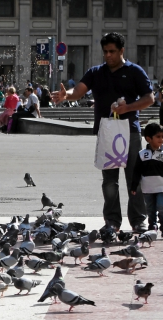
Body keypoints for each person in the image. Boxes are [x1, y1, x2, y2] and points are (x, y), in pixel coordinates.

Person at [52, 32, 153, 233]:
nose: (108, 55)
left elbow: (149, 98)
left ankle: (138, 220)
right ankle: (112, 221)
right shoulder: (96, 72)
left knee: (134, 178)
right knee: (109, 182)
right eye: (105, 51)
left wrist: (129, 108)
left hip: (130, 132)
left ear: (122, 50)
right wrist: (66, 96)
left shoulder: (135, 71)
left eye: (112, 52)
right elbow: (78, 91)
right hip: (106, 133)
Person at [131, 123, 163, 237]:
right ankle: (152, 226)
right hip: (147, 188)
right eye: (158, 137)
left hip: (161, 187)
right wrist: (134, 186)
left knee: (161, 206)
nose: (161, 139)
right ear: (148, 139)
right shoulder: (142, 154)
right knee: (150, 209)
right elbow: (136, 171)